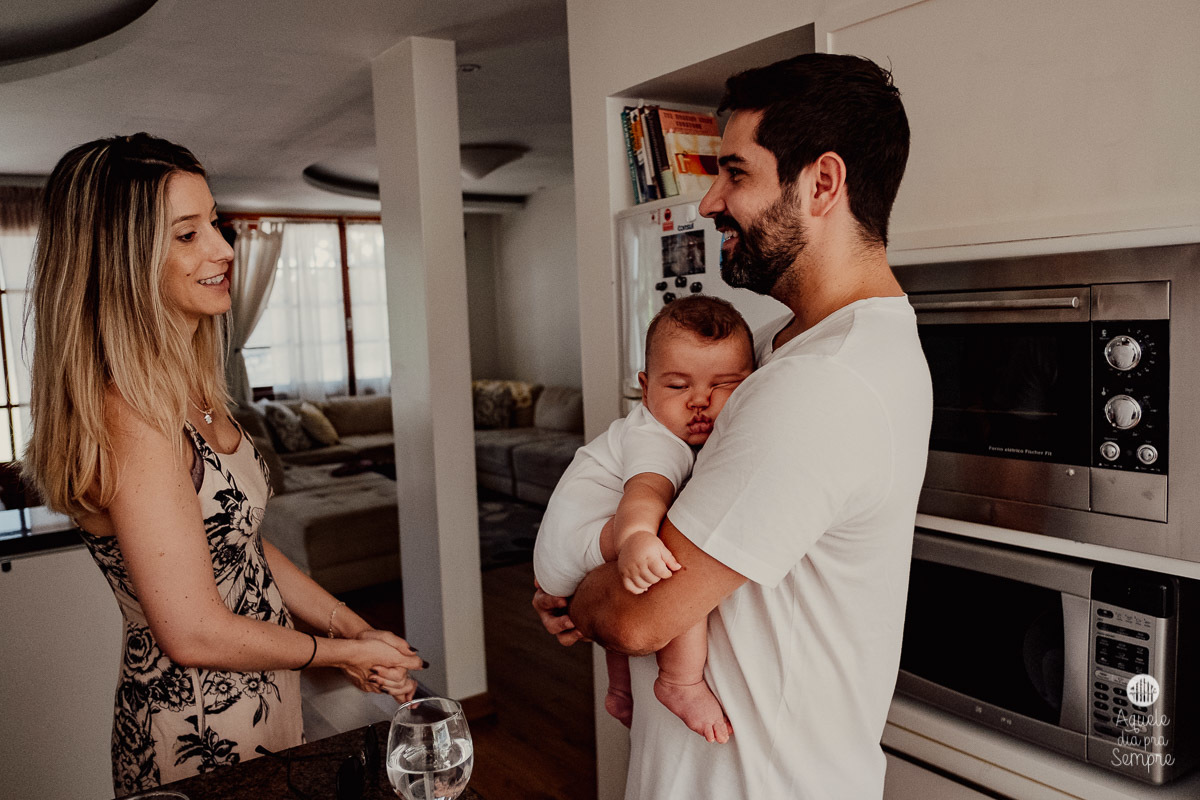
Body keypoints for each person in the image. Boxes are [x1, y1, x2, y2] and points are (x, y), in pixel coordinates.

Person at [533, 53, 933, 798]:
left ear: (822, 183)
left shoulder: (822, 382)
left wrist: (576, 592)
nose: (711, 202)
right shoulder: (790, 348)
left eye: (736, 173)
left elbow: (637, 617)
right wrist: (591, 583)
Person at [23, 133, 423, 797]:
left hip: (259, 700)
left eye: (214, 223)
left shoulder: (186, 389)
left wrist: (351, 626)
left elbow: (240, 544)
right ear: (122, 263)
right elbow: (193, 631)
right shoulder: (131, 414)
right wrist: (343, 653)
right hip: (196, 728)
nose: (223, 249)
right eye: (188, 234)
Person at [534, 295, 753, 744]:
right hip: (586, 536)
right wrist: (635, 536)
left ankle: (620, 689)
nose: (699, 401)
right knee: (674, 559)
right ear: (645, 388)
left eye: (724, 385)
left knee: (634, 573)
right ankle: (680, 681)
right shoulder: (657, 441)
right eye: (677, 387)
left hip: (562, 550)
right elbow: (644, 493)